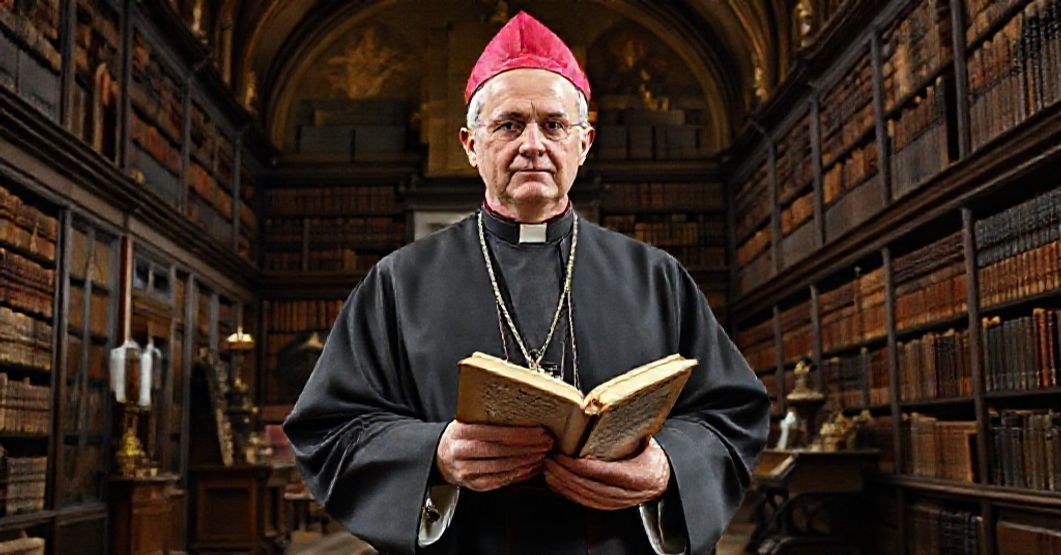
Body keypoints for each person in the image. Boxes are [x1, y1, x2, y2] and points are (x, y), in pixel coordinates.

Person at [283, 11, 770, 555]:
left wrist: (669, 465)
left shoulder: (656, 277)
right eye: (509, 125)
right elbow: (329, 428)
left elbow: (732, 414)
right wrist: (435, 453)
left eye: (554, 125)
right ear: (471, 144)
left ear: (584, 143)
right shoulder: (399, 282)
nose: (533, 144)